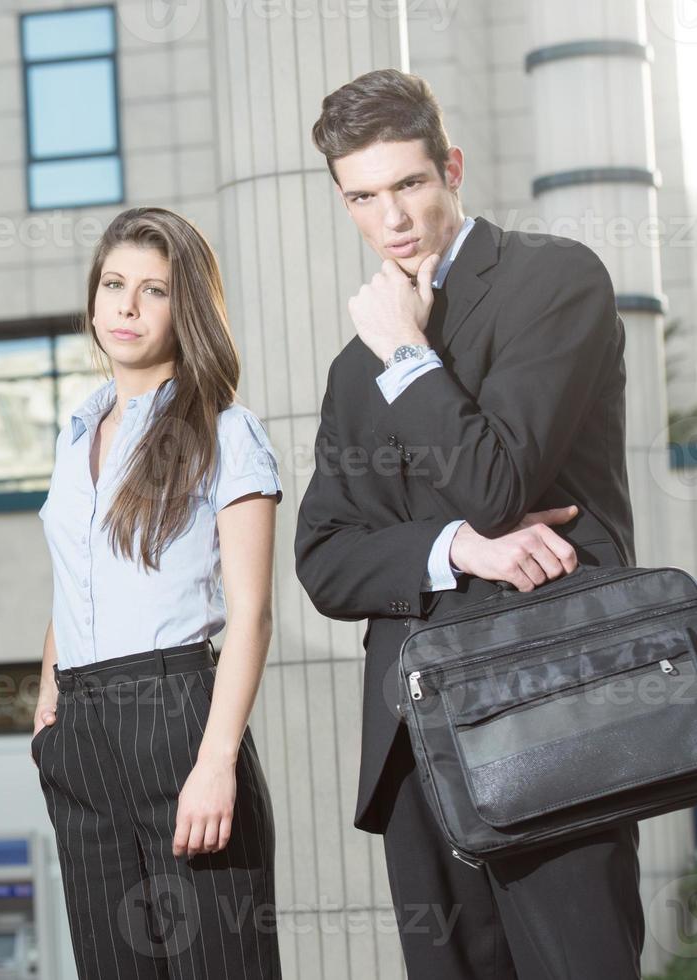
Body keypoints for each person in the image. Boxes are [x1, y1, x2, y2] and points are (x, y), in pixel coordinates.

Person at [295, 69, 642, 978]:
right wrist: (457, 548)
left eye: (409, 183)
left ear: (451, 165)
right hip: (416, 742)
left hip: (550, 712)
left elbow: (495, 480)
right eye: (363, 197)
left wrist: (409, 355)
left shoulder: (553, 279)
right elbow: (324, 560)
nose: (393, 218)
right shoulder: (351, 366)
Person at [32, 206, 283, 979]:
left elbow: (252, 615)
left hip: (180, 717)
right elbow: (70, 582)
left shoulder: (225, 432)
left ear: (188, 309)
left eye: (154, 290)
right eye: (113, 284)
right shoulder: (76, 435)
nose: (127, 306)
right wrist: (48, 711)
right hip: (81, 731)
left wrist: (216, 762)